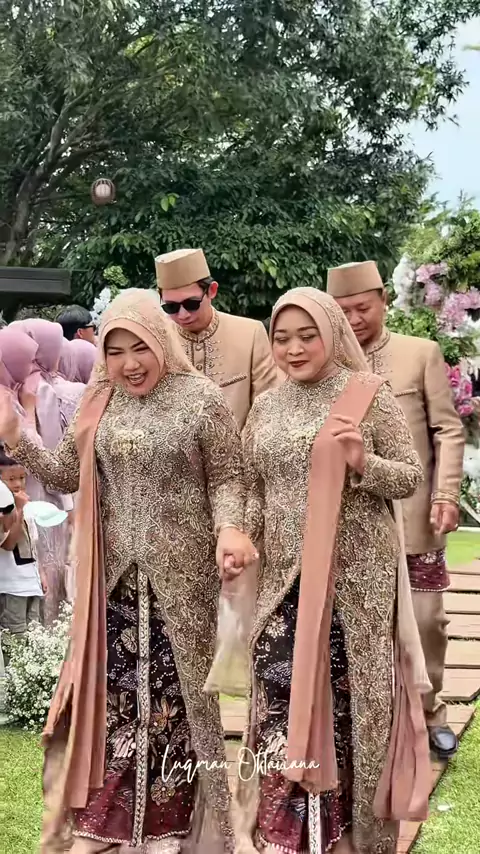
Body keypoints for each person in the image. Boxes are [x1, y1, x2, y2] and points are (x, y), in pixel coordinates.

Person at [0, 288, 257, 854]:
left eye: (139, 347)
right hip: (115, 582)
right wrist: (17, 435)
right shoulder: (98, 401)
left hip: (183, 580)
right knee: (117, 701)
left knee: (182, 702)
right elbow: (64, 474)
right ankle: (111, 822)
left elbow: (228, 477)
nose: (129, 363)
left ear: (160, 341)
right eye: (114, 352)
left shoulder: (200, 398)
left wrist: (229, 528)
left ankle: (183, 828)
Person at [236, 287, 430, 854]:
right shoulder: (267, 405)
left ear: (332, 334)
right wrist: (243, 537)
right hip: (284, 580)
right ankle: (287, 829)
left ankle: (351, 832)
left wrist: (364, 462)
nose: (293, 349)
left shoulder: (368, 394)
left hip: (355, 580)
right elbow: (253, 485)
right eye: (281, 338)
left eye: (307, 336)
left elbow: (409, 476)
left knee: (349, 702)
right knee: (279, 689)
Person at [327, 260, 465, 760]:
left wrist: (445, 494)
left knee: (426, 621)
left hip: (413, 512)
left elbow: (447, 430)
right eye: (342, 311)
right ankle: (367, 722)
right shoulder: (323, 362)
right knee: (355, 624)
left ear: (384, 299)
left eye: (362, 307)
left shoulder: (419, 353)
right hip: (348, 522)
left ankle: (430, 713)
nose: (353, 320)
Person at [156, 248, 278, 429]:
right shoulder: (157, 340)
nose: (183, 315)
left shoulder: (250, 333)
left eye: (191, 304)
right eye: (171, 307)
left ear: (212, 291)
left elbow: (267, 409)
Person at [0, 451, 45, 637]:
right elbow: (9, 544)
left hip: (31, 585)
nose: (18, 484)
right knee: (15, 638)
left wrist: (41, 574)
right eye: (11, 479)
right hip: (11, 587)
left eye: (21, 477)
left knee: (35, 637)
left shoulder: (26, 505)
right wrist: (18, 509)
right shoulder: (5, 510)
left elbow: (33, 545)